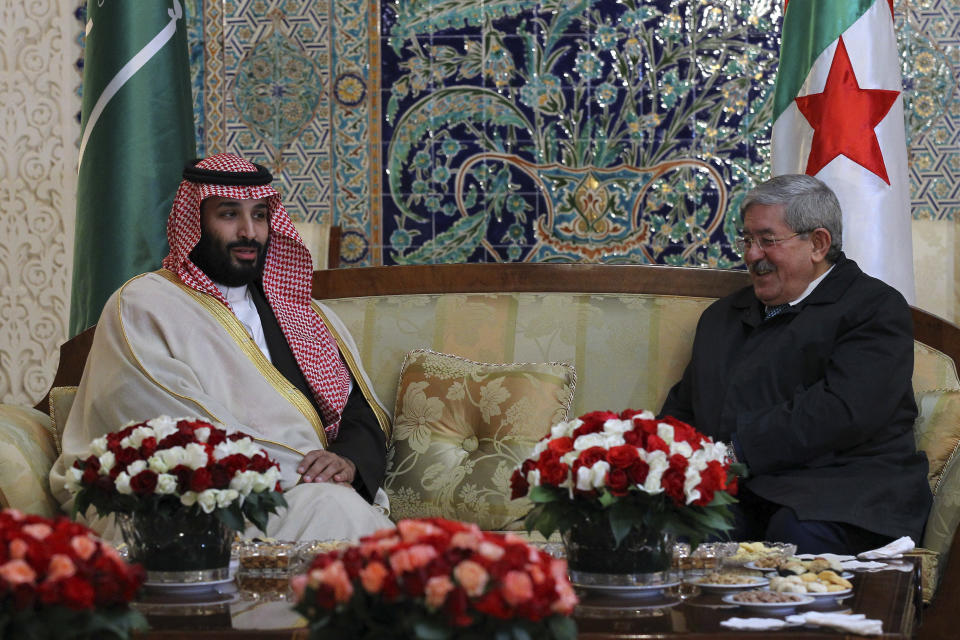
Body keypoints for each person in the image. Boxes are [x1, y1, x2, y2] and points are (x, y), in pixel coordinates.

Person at [50, 153, 394, 541]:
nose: (249, 231)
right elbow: (162, 423)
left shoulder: (301, 314)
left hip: (305, 495)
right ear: (194, 222)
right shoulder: (145, 304)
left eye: (260, 215)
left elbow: (358, 416)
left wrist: (346, 462)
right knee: (339, 513)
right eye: (229, 214)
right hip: (203, 505)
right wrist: (300, 470)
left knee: (339, 509)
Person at [660, 174, 932, 555]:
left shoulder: (873, 308)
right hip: (741, 493)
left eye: (767, 241)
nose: (752, 254)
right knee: (682, 529)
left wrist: (736, 452)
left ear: (818, 243)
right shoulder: (721, 318)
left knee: (793, 533)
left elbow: (845, 410)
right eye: (748, 240)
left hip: (844, 493)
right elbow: (685, 408)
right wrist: (656, 458)